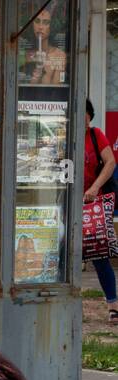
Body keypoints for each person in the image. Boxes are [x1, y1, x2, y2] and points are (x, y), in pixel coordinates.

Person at [82, 99, 118, 321]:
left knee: (99, 253)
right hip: (66, 201)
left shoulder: (96, 135)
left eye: (86, 116)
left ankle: (113, 305)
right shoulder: (60, 134)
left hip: (93, 204)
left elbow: (111, 162)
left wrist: (95, 187)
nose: (83, 121)